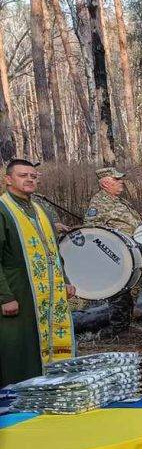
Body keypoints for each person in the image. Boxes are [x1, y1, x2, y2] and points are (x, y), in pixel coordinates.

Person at [1, 159, 76, 386]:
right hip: (18, 290)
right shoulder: (4, 210)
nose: (30, 180)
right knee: (21, 345)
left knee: (47, 340)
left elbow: (52, 250)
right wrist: (5, 296)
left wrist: (64, 280)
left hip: (48, 291)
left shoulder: (39, 209)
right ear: (8, 179)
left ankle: (50, 386)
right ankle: (18, 394)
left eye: (33, 176)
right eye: (23, 175)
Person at [83, 166, 142, 336]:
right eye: (116, 179)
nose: (121, 181)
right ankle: (118, 329)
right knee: (120, 291)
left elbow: (127, 220)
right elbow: (91, 229)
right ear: (105, 183)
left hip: (132, 252)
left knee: (132, 289)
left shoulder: (119, 200)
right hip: (117, 254)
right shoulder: (99, 203)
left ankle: (126, 325)